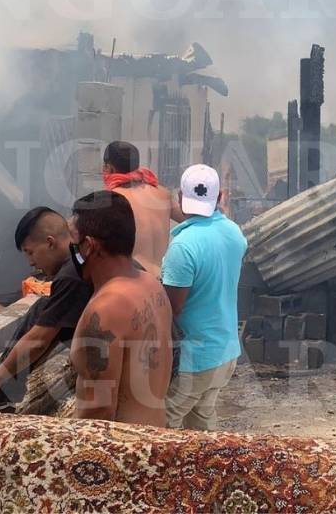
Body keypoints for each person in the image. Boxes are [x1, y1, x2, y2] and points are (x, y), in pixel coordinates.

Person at [0, 207, 92, 407]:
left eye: (30, 252)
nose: (31, 262)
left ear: (50, 243)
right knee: (43, 306)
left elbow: (38, 341)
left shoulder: (71, 275)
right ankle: (3, 393)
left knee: (40, 314)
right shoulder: (80, 258)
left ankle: (2, 398)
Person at [68, 191, 173, 426]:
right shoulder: (151, 285)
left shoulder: (105, 311)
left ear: (88, 246)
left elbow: (98, 413)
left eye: (74, 241)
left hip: (124, 454)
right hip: (155, 437)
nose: (71, 248)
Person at [161, 164, 247, 430]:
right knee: (201, 423)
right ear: (220, 196)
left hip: (195, 359)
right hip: (225, 352)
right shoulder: (234, 233)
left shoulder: (183, 247)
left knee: (162, 424)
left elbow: (171, 308)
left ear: (179, 198)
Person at [101, 141, 175, 276]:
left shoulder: (112, 200)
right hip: (163, 281)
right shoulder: (163, 194)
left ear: (109, 168)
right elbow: (193, 216)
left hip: (135, 282)